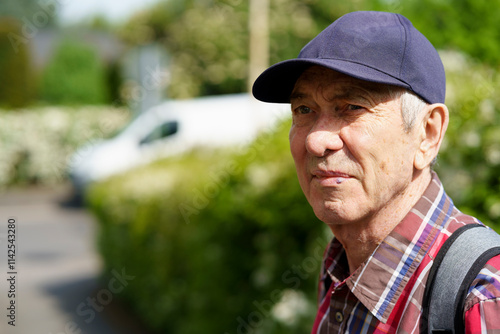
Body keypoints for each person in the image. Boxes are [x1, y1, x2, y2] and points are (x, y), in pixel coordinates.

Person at [252, 11, 500, 333]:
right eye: (304, 110)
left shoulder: (484, 296)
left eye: (353, 107)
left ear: (427, 134)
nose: (316, 140)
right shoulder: (340, 270)